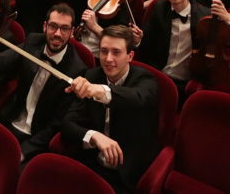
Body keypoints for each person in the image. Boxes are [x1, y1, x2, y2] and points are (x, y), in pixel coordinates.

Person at [0, 3, 88, 163]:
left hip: (36, 137)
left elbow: (56, 122)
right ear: (45, 26)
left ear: (72, 32)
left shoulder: (77, 70)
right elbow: (6, 58)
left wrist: (24, 152)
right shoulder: (34, 41)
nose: (58, 34)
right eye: (53, 26)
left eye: (65, 28)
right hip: (10, 119)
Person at [61, 25, 160, 193]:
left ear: (130, 56)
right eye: (104, 51)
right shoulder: (92, 75)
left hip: (125, 174)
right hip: (91, 163)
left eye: (116, 52)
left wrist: (98, 90)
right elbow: (67, 124)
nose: (107, 59)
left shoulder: (147, 80)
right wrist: (94, 136)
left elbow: (136, 98)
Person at [134, 0, 230, 96]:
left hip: (186, 83)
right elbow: (147, 45)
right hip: (159, 76)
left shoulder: (205, 17)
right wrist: (138, 40)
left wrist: (229, 19)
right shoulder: (159, 9)